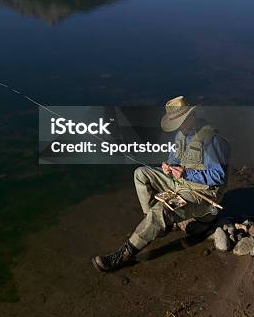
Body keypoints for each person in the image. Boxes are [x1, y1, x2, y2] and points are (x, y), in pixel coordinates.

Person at [92, 95, 229, 272]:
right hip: (181, 182)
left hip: (203, 195)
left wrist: (188, 173)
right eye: (176, 123)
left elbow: (219, 176)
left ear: (191, 116)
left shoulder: (212, 140)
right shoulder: (181, 134)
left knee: (162, 211)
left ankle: (125, 254)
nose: (179, 126)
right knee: (141, 174)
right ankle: (154, 225)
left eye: (180, 121)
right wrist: (168, 166)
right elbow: (174, 158)